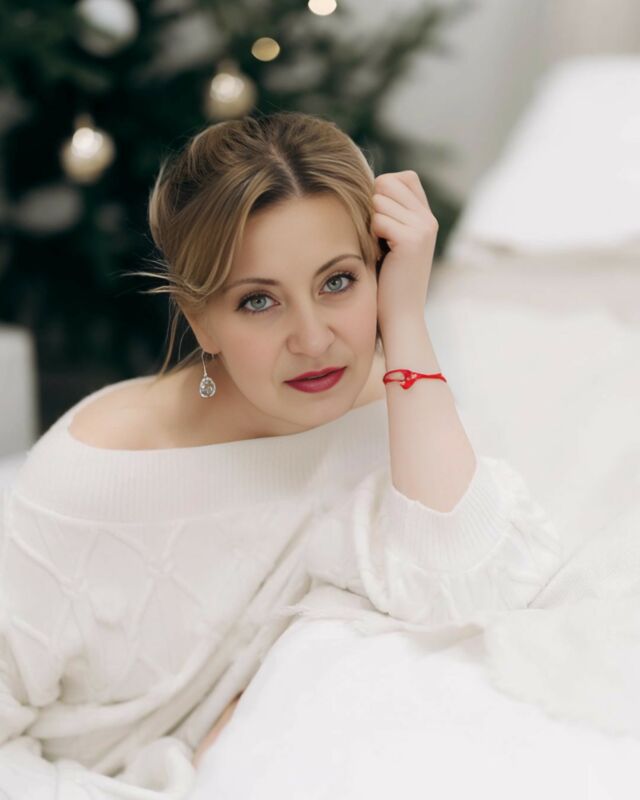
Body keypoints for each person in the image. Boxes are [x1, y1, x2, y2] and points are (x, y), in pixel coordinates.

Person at [0, 110, 566, 798]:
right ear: (200, 319)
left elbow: (473, 594)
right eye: (258, 301)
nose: (314, 339)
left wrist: (405, 320)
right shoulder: (94, 478)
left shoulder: (393, 412)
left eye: (338, 282)